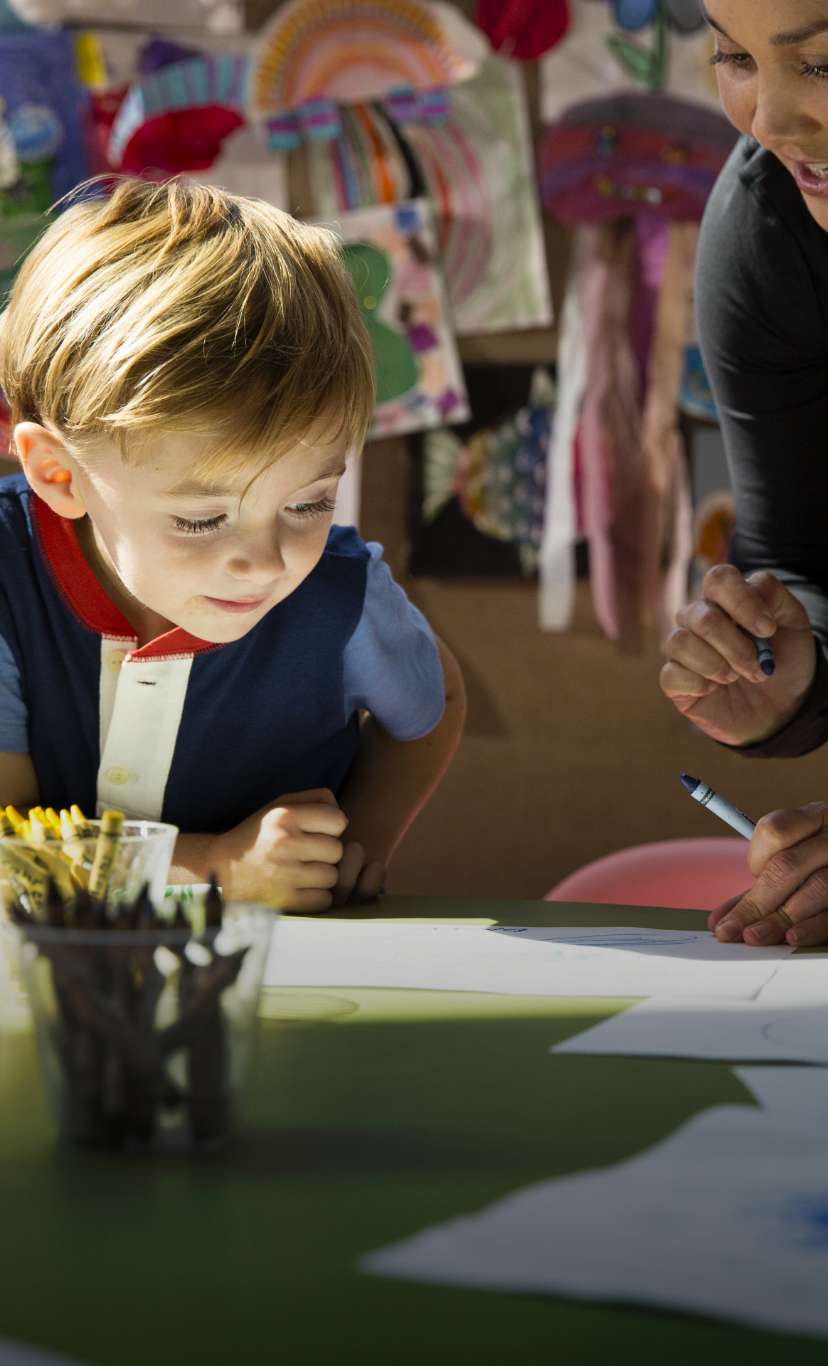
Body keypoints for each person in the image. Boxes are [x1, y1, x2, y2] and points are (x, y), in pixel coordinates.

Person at [0, 176, 465, 910]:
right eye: (200, 520)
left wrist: (367, 836)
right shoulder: (8, 577)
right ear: (59, 474)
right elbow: (10, 851)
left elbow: (431, 707)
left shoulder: (341, 597)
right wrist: (214, 864)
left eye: (309, 502)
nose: (267, 560)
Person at [661, 0, 828, 948]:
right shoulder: (770, 231)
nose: (768, 120)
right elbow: (798, 558)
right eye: (733, 55)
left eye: (824, 65)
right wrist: (783, 671)